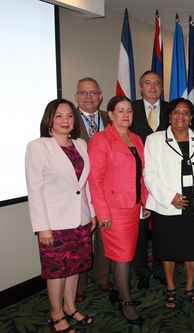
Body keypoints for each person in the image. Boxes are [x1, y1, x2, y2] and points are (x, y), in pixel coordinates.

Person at [144, 98, 194, 309]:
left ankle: (189, 287)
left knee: (193, 248)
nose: (181, 116)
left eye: (186, 113)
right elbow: (149, 174)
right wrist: (170, 196)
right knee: (168, 249)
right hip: (168, 203)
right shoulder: (155, 139)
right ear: (169, 116)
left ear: (191, 118)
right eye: (176, 112)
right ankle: (170, 287)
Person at [25, 99, 95, 333]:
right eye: (59, 116)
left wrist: (92, 213)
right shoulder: (38, 147)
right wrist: (42, 226)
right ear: (49, 120)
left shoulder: (80, 145)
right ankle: (56, 314)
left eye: (69, 116)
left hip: (81, 219)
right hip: (54, 224)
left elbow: (84, 186)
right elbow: (35, 190)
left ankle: (70, 306)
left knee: (74, 268)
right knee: (57, 272)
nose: (65, 121)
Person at [88, 96, 148, 324]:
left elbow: (142, 174)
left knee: (125, 254)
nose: (126, 115)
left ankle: (117, 292)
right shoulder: (101, 140)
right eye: (120, 111)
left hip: (133, 207)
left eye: (129, 111)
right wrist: (103, 213)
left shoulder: (135, 139)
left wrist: (145, 201)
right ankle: (127, 302)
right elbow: (95, 179)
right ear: (110, 114)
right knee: (123, 257)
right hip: (114, 210)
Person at [74, 77, 113, 302]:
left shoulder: (110, 118)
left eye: (93, 93)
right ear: (77, 96)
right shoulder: (68, 120)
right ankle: (79, 283)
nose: (89, 97)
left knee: (104, 234)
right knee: (82, 237)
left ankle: (102, 275)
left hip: (105, 187)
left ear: (100, 97)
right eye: (84, 93)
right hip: (78, 188)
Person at [130, 70, 169, 290]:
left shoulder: (172, 109)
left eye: (157, 83)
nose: (153, 87)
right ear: (140, 87)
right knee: (141, 230)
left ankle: (160, 269)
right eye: (147, 83)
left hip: (165, 179)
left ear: (162, 87)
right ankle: (142, 270)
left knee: (163, 228)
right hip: (137, 180)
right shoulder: (130, 110)